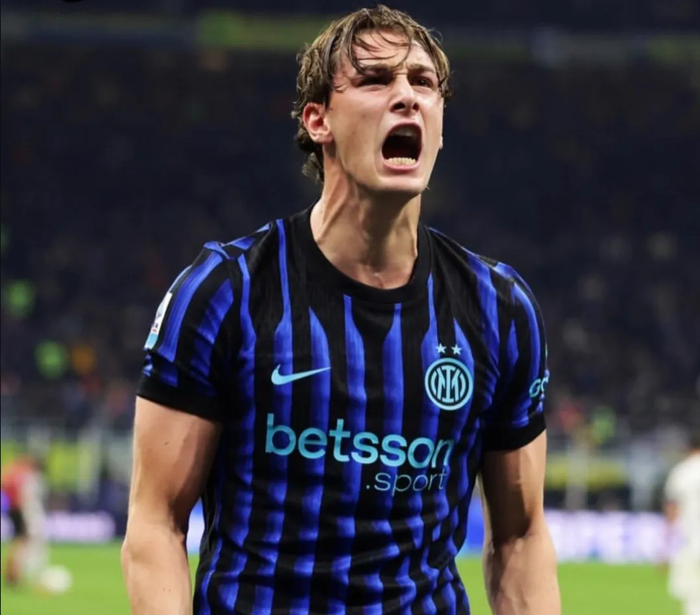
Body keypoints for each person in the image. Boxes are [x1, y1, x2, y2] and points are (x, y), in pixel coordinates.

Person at [121, 5, 560, 614]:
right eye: (376, 80)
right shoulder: (227, 291)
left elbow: (520, 537)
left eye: (423, 82)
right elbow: (156, 523)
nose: (406, 97)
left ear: (440, 126)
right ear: (318, 119)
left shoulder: (500, 309)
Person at [664, 431, 700, 615]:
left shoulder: (682, 471)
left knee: (693, 599)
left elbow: (672, 509)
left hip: (691, 543)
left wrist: (664, 546)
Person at [2, 455, 48, 588]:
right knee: (23, 542)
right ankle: (15, 573)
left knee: (18, 541)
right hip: (22, 511)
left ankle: (13, 573)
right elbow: (25, 497)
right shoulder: (27, 477)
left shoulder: (14, 473)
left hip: (15, 509)